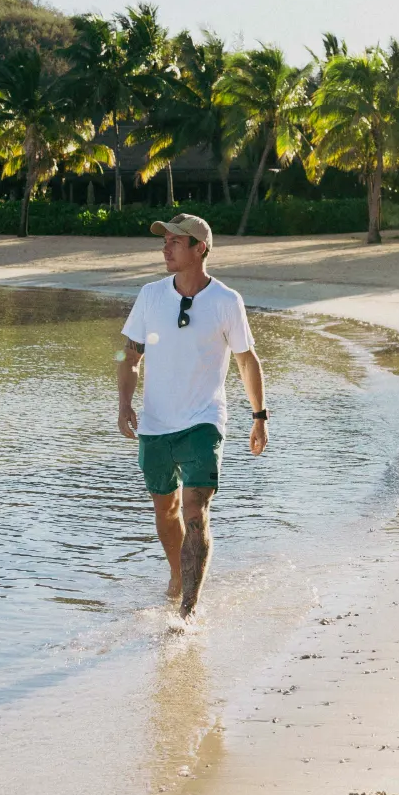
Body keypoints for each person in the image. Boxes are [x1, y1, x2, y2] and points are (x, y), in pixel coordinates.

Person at [117, 213, 268, 616]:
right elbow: (129, 355)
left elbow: (246, 360)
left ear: (200, 248)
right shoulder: (150, 295)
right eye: (164, 240)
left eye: (175, 241)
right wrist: (123, 403)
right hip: (155, 424)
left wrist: (259, 415)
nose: (165, 247)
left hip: (203, 422)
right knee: (164, 512)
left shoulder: (225, 301)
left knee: (195, 512)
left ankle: (188, 609)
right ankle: (178, 575)